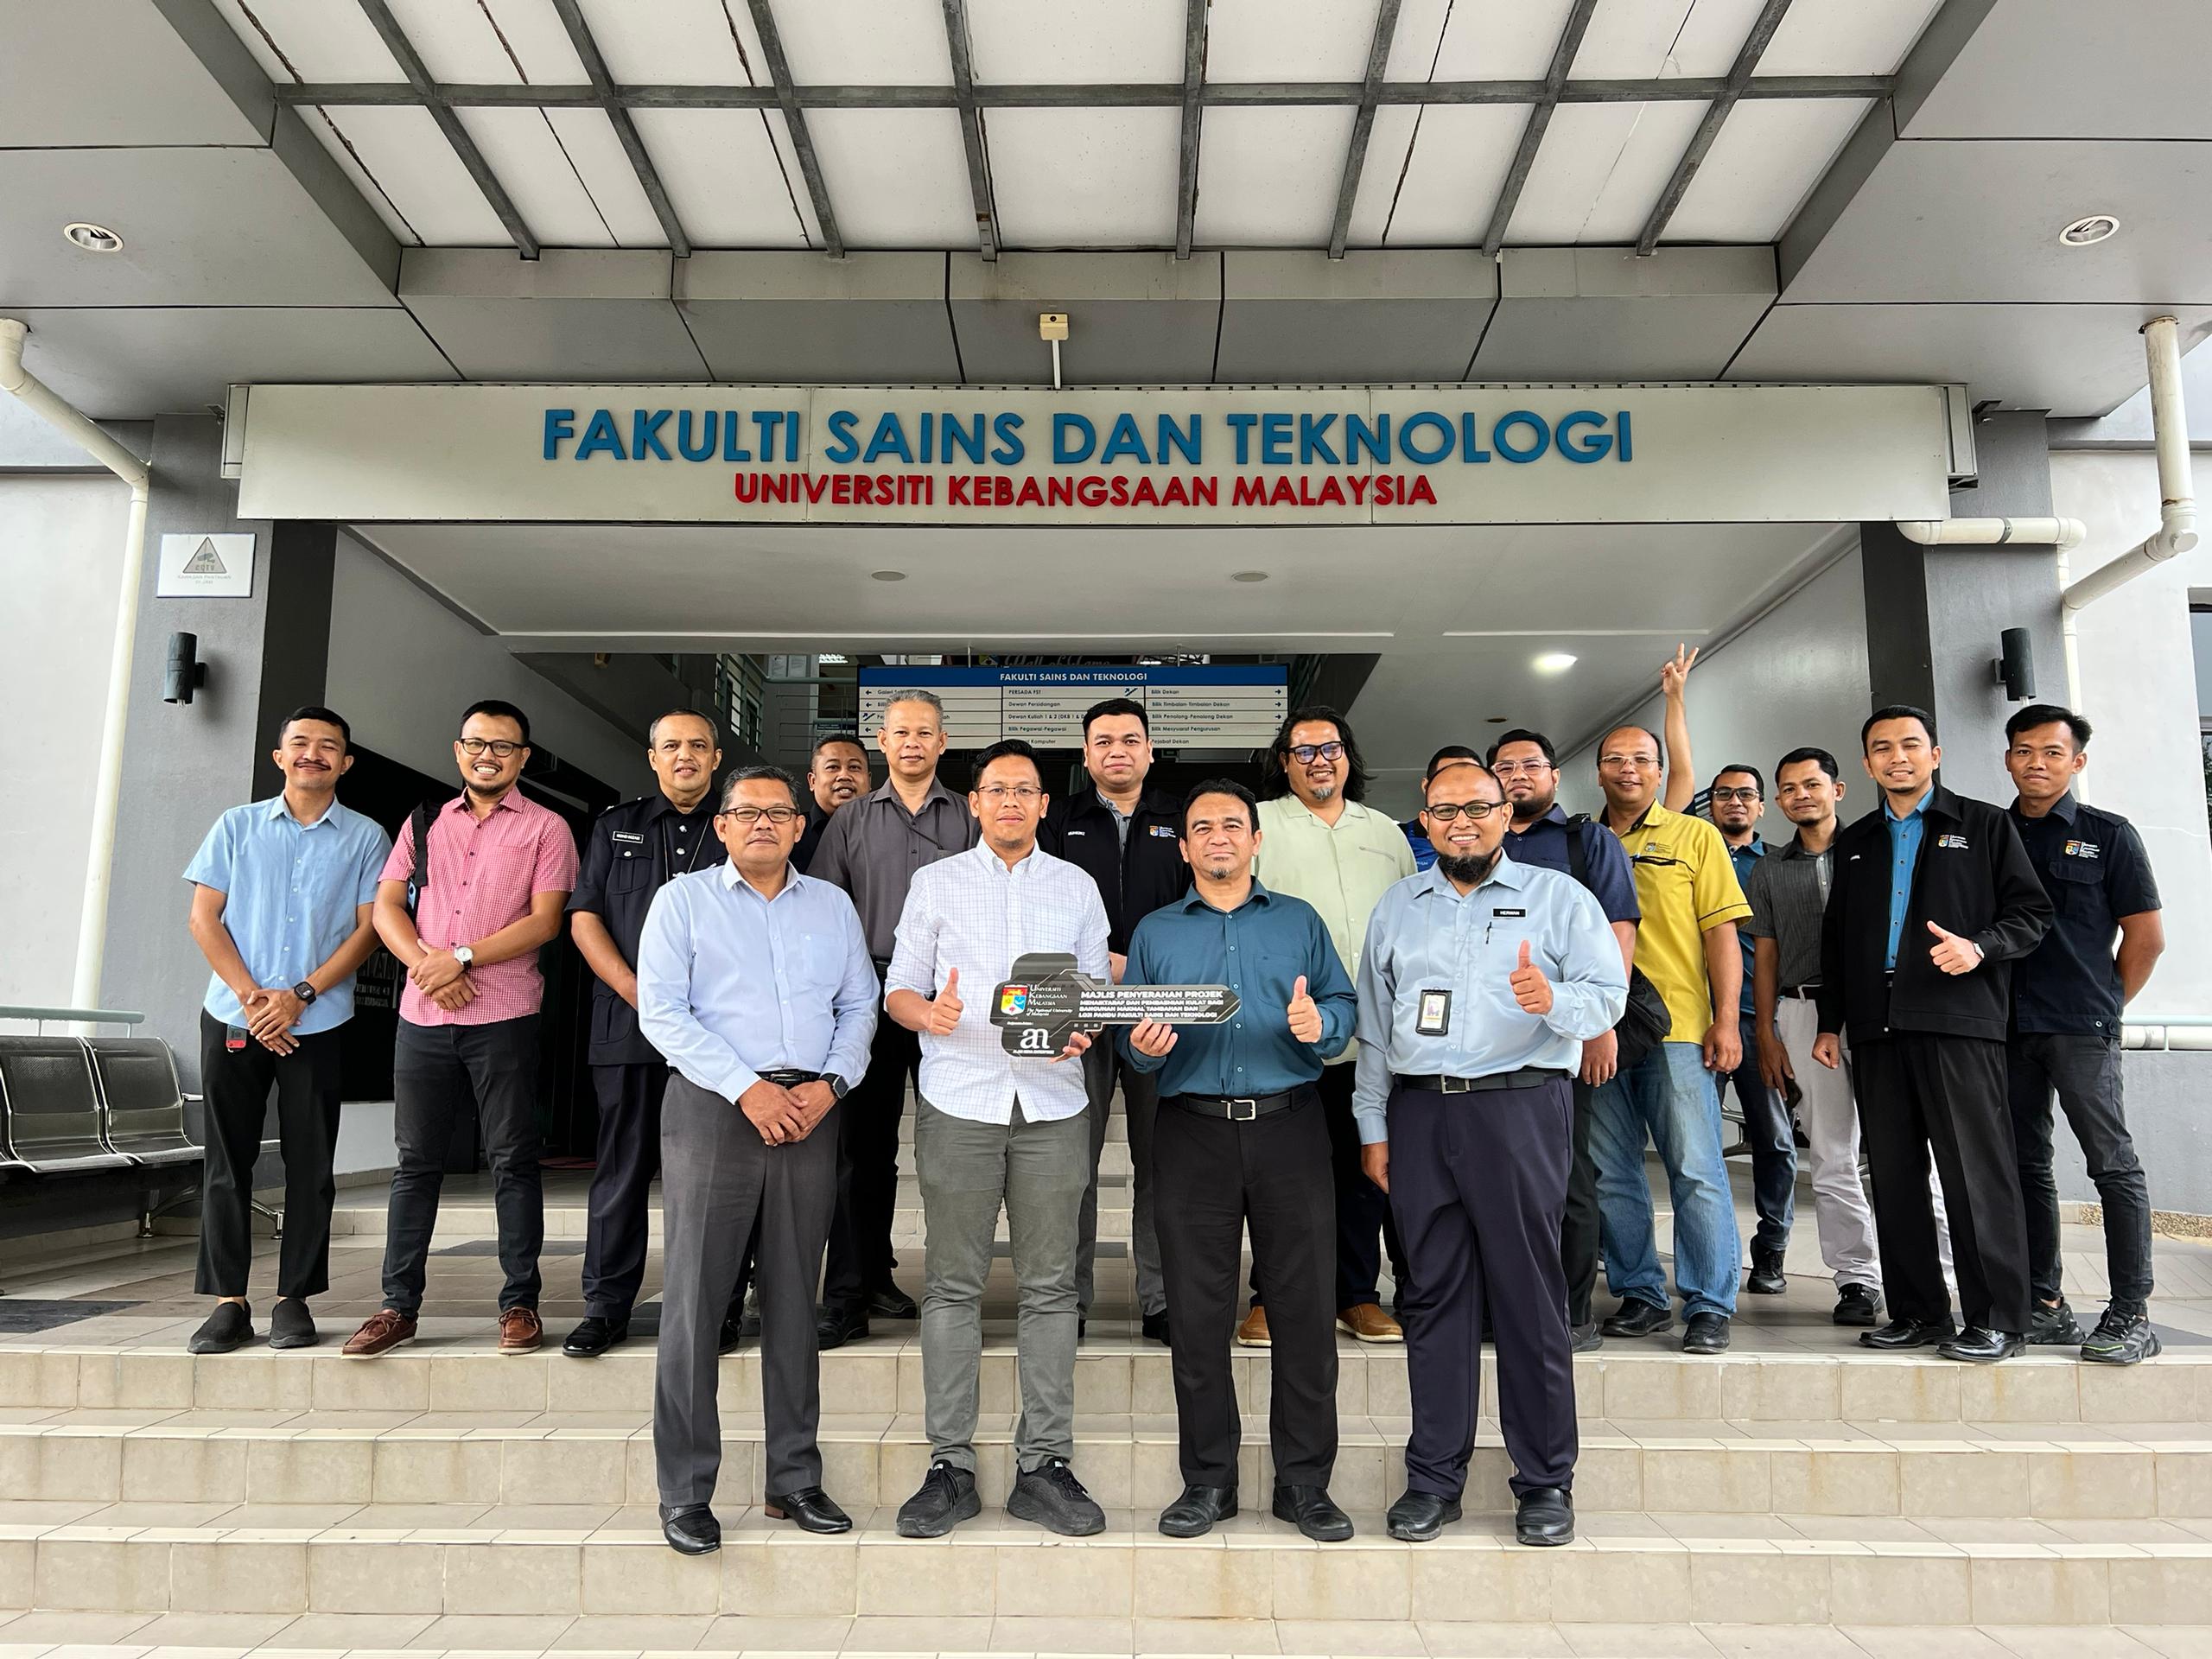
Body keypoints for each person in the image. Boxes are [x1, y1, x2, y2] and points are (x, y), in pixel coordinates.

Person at [1357, 760, 1626, 1548]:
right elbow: (1374, 1025)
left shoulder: (1559, 898)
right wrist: (1373, 1125)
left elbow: (1607, 996)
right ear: (1425, 823)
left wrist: (1556, 1001)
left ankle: (1544, 1481)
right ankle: (1433, 1479)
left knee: (1527, 1297)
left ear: (1507, 814)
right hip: (1418, 1112)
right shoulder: (1397, 907)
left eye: (1478, 808)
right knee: (1432, 1296)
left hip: (1519, 1108)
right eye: (1445, 812)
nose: (1461, 823)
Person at [637, 766, 878, 1556]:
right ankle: (685, 1491)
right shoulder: (683, 901)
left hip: (810, 1109)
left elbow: (859, 1003)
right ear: (722, 825)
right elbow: (662, 1011)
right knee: (696, 1303)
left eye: (779, 812)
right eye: (747, 812)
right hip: (715, 1106)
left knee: (794, 1298)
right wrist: (748, 1089)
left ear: (801, 826)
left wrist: (832, 1085)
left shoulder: (831, 905)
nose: (764, 823)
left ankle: (793, 1479)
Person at [886, 739, 1112, 1540]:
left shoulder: (1076, 886)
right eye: (996, 790)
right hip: (959, 1101)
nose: (1011, 801)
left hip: (1053, 1106)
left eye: (1026, 790)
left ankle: (1043, 1466)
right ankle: (949, 1466)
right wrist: (930, 1014)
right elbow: (898, 989)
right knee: (953, 1286)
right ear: (974, 803)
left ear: (1045, 805)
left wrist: (1084, 1026)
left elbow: (1093, 992)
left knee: (1051, 1288)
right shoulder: (936, 882)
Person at [1122, 779, 1359, 1541]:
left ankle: (1304, 1483)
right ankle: (1208, 1481)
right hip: (1190, 1133)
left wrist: (1321, 1023)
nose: (1218, 837)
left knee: (1303, 1311)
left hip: (1291, 1127)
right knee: (1197, 1316)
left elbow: (1345, 1004)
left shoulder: (1299, 921)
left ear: (1256, 840)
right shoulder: (1156, 932)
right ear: (1185, 847)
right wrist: (1142, 1047)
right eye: (1202, 827)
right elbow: (1134, 1034)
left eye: (1232, 824)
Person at [1815, 705, 2051, 1363]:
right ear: (1867, 764)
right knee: (1893, 1176)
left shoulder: (1983, 824)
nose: (1898, 757)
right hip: (1878, 1026)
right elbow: (1837, 938)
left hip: (1957, 1021)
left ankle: (1999, 1319)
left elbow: (2032, 913)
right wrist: (1831, 1023)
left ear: (1935, 755)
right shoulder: (1857, 841)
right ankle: (1919, 1313)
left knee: (1974, 1173)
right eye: (1882, 748)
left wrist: (1979, 948)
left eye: (1911, 745)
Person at [345, 701, 576, 1357]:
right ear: (458, 751)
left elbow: (545, 921)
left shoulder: (548, 827)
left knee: (512, 1159)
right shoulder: (424, 822)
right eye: (477, 743)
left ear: (522, 757)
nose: (488, 756)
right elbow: (388, 907)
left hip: (503, 1015)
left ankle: (519, 1303)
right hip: (423, 1016)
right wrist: (428, 967)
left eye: (503, 746)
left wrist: (463, 957)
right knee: (415, 1164)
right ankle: (397, 1306)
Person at [182, 707, 390, 1355]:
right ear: (279, 757)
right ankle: (229, 1301)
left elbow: (370, 930)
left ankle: (293, 1297)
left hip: (317, 1019)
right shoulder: (236, 826)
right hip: (233, 1014)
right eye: (300, 743)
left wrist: (299, 997)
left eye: (328, 746)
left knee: (311, 1162)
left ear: (345, 763)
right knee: (227, 1159)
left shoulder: (366, 837)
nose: (312, 754)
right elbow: (204, 919)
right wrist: (254, 1000)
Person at [561, 709, 736, 1360]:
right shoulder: (616, 826)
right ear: (653, 756)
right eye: (672, 746)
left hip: (720, 1036)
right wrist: (642, 994)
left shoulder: (739, 825)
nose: (685, 755)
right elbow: (584, 918)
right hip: (629, 1027)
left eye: (698, 745)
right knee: (623, 1170)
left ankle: (718, 1307)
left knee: (716, 1179)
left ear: (716, 758)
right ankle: (606, 1306)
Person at [808, 690, 977, 1347]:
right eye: (901, 732)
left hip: (953, 999)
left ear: (942, 742)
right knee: (861, 1151)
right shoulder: (850, 820)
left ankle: (947, 1291)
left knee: (953, 1146)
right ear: (883, 742)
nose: (912, 743)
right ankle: (851, 1292)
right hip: (870, 992)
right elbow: (824, 912)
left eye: (925, 732)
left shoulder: (969, 814)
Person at [1246, 704, 1415, 1349]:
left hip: (1372, 1034)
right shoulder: (1259, 824)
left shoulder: (1385, 831)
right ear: (1284, 762)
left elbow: (1412, 918)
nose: (1320, 761)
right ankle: (1272, 1297)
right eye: (1305, 751)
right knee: (1280, 1177)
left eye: (1331, 748)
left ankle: (1355, 1295)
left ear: (1348, 756)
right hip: (1286, 1033)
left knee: (1362, 1171)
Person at [2001, 705, 2164, 1363]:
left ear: (2077, 762)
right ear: (2008, 759)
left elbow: (2146, 939)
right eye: (2023, 751)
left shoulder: (2109, 835)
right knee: (2025, 1166)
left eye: (2051, 752)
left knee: (2112, 1165)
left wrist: (2105, 1006)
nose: (2036, 763)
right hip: (2008, 1028)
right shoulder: (1993, 833)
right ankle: (2045, 1305)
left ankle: (2132, 1314)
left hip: (2081, 1028)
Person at [1589, 722, 1748, 1354]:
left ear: (1660, 771)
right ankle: (1641, 1294)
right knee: (1610, 1170)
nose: (1628, 768)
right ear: (1598, 772)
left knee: (1695, 1168)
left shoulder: (1694, 836)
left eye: (1641, 759)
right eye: (1615, 759)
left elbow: (1721, 934)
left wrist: (1726, 1019)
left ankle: (1709, 1302)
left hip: (1679, 1030)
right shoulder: (1584, 841)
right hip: (1600, 1030)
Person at [1488, 727, 1643, 1352]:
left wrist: (1600, 1026)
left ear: (1555, 776)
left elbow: (1619, 934)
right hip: (1489, 1047)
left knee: (1569, 1177)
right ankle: (1504, 1308)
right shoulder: (1481, 841)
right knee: (1501, 1184)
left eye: (1531, 764)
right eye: (1505, 766)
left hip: (1564, 1038)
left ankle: (1571, 1312)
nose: (1518, 775)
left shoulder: (1587, 841)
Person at [1039, 696, 1183, 1343]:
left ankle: (1162, 1299)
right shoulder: (1059, 820)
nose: (1116, 751)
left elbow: (1201, 906)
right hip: (1081, 1008)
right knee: (1075, 1161)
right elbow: (1039, 907)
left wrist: (1143, 969)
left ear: (1149, 750)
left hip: (1159, 1009)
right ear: (1086, 753)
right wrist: (1101, 966)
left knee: (1163, 1164)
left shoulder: (1180, 818)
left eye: (1129, 740)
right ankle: (1067, 1300)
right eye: (1103, 741)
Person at [1745, 749, 1887, 1326]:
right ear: (1778, 801)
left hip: (1877, 1011)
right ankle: (1857, 1279)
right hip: (1803, 1012)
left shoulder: (1877, 849)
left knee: (1908, 1150)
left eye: (1812, 784)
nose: (1801, 794)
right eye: (1789, 788)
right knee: (1831, 1153)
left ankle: (1935, 1275)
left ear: (1838, 790)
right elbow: (1766, 955)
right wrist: (1767, 1032)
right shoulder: (1770, 869)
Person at [1706, 765, 1799, 1297]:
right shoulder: (1699, 855)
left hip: (1765, 1022)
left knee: (1776, 1140)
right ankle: (1713, 1252)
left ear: (1762, 806)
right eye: (1724, 794)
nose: (1735, 802)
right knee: (1699, 1147)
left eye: (1746, 794)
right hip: (1702, 1022)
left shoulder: (1780, 865)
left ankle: (1772, 1248)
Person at [796, 732, 869, 873]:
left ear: (869, 780)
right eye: (833, 767)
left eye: (854, 767)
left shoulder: (887, 831)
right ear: (812, 781)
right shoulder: (791, 832)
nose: (844, 776)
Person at [1398, 745, 1479, 871]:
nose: (1460, 789)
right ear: (1426, 786)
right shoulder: (1398, 838)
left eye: (1471, 781)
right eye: (1446, 779)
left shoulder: (1500, 836)